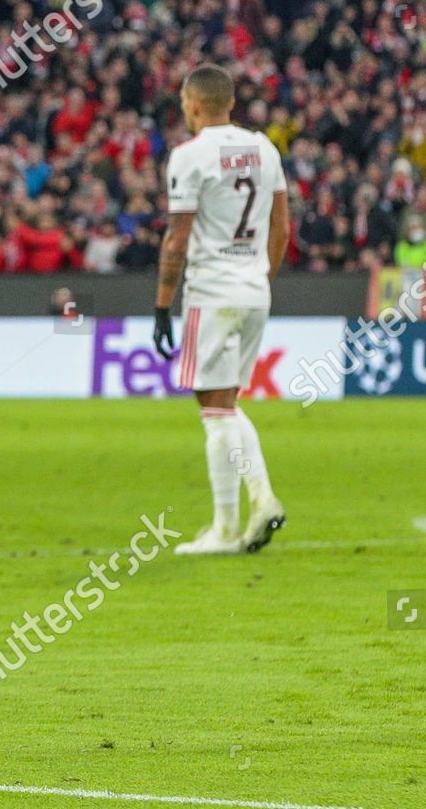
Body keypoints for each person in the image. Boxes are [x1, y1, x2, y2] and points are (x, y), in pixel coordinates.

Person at [153, 65, 289, 556]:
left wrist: (162, 304)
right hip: (255, 293)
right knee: (226, 406)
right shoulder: (265, 149)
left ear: (191, 104)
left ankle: (234, 522)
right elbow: (282, 231)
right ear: (230, 102)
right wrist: (257, 281)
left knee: (214, 412)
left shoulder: (188, 156)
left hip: (210, 294)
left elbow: (177, 238)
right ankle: (249, 511)